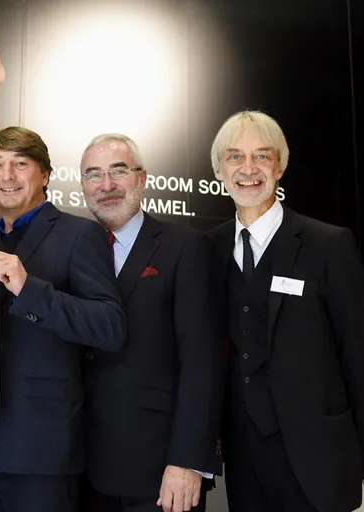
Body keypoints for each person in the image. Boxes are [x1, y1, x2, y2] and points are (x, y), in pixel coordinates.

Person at [207, 110, 364, 512]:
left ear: (280, 167)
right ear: (218, 171)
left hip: (319, 455)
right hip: (243, 457)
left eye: (261, 156)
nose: (248, 168)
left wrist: (357, 454)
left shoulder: (327, 245)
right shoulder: (207, 249)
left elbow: (361, 357)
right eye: (235, 157)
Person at [0, 126, 127, 512]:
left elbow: (109, 326)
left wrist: (29, 288)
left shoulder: (80, 234)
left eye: (20, 164)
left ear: (45, 174)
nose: (7, 175)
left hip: (43, 450)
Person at [78, 133, 224, 512]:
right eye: (94, 174)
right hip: (82, 470)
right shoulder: (74, 247)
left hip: (160, 471)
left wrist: (188, 460)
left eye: (118, 171)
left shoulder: (184, 246)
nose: (106, 185)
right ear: (82, 185)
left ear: (142, 179)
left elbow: (202, 361)